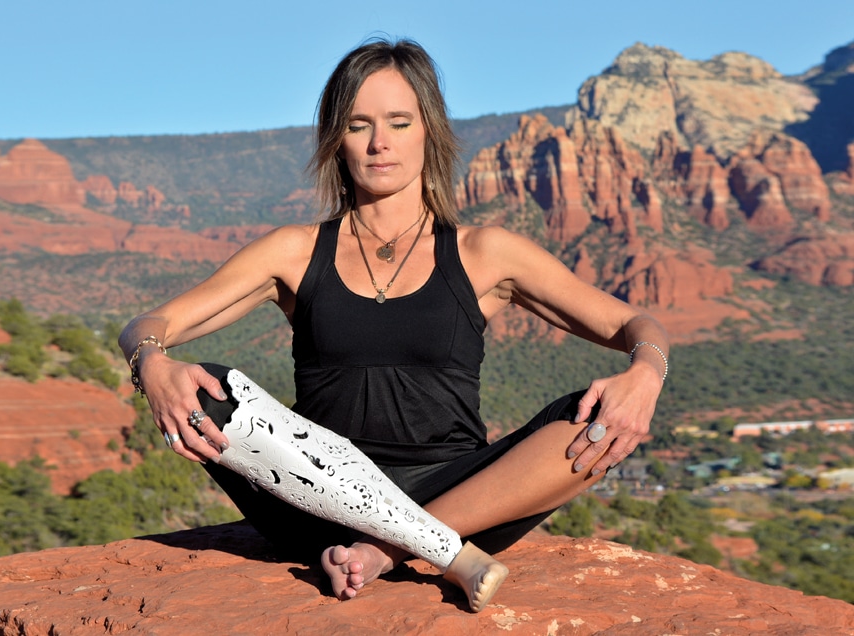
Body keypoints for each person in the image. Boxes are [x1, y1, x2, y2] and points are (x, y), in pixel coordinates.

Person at [119, 37, 668, 611]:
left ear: (429, 131)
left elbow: (636, 322)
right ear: (337, 141)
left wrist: (645, 376)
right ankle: (436, 551)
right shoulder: (294, 251)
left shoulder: (484, 253)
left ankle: (385, 547)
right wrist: (151, 363)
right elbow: (150, 324)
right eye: (358, 126)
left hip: (460, 494)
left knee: (592, 421)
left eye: (399, 123)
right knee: (210, 389)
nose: (379, 143)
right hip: (317, 499)